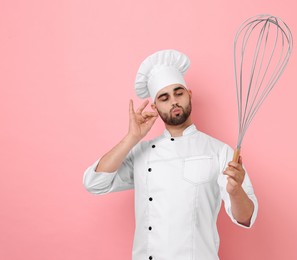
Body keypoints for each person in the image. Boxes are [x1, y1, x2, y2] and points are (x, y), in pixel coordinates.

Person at [83, 49, 258, 260]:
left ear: (189, 94)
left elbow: (246, 217)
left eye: (179, 93)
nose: (174, 101)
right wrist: (132, 138)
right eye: (164, 98)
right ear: (155, 107)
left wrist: (235, 190)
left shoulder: (219, 151)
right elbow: (94, 182)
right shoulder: (143, 153)